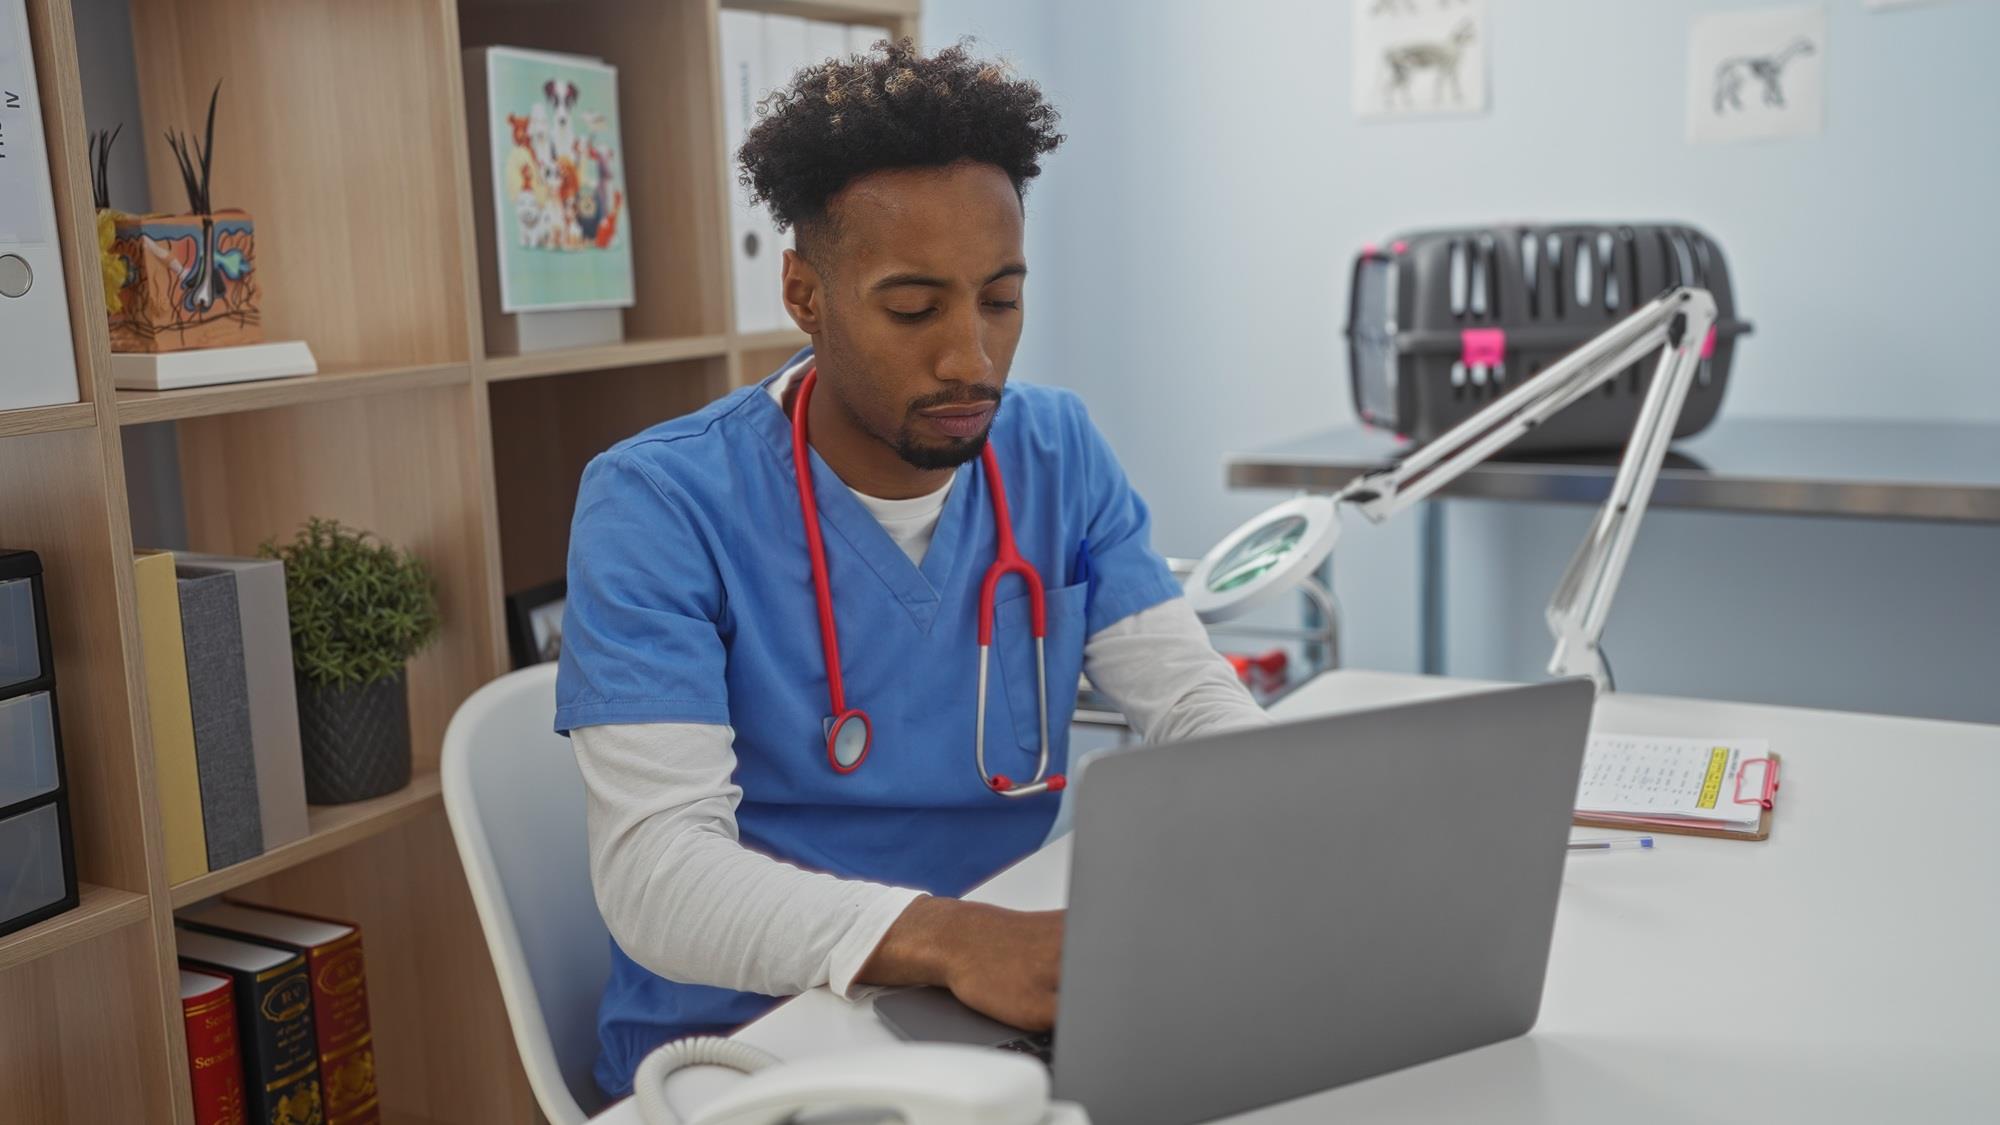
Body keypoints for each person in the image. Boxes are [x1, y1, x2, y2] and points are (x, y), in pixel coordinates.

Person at [556, 38, 1268, 1100]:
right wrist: (949, 940)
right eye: (911, 308)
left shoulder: (1055, 451)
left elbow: (1189, 701)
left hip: (1001, 999)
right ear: (804, 294)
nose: (971, 360)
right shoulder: (659, 503)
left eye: (999, 300)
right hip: (746, 1042)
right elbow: (657, 880)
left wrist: (1296, 823)